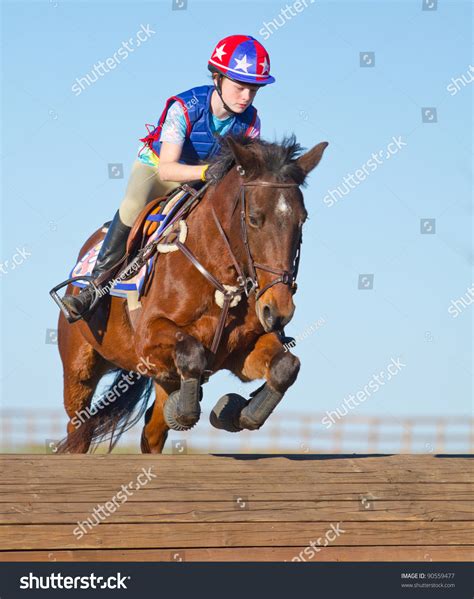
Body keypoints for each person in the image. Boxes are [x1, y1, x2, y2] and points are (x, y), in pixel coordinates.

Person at [59, 34, 275, 322]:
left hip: (206, 180)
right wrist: (205, 173)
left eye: (254, 90)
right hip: (159, 169)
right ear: (217, 78)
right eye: (240, 87)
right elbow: (168, 169)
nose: (246, 97)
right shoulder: (184, 107)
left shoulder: (251, 122)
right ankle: (95, 287)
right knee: (133, 205)